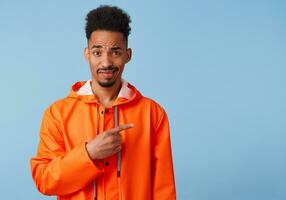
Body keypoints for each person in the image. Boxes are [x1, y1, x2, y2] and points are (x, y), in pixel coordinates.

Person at [30, 5, 176, 200]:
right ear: (87, 54)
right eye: (98, 52)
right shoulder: (57, 113)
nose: (106, 63)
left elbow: (164, 190)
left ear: (128, 55)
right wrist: (89, 153)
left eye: (115, 52)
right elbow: (44, 179)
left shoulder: (153, 114)